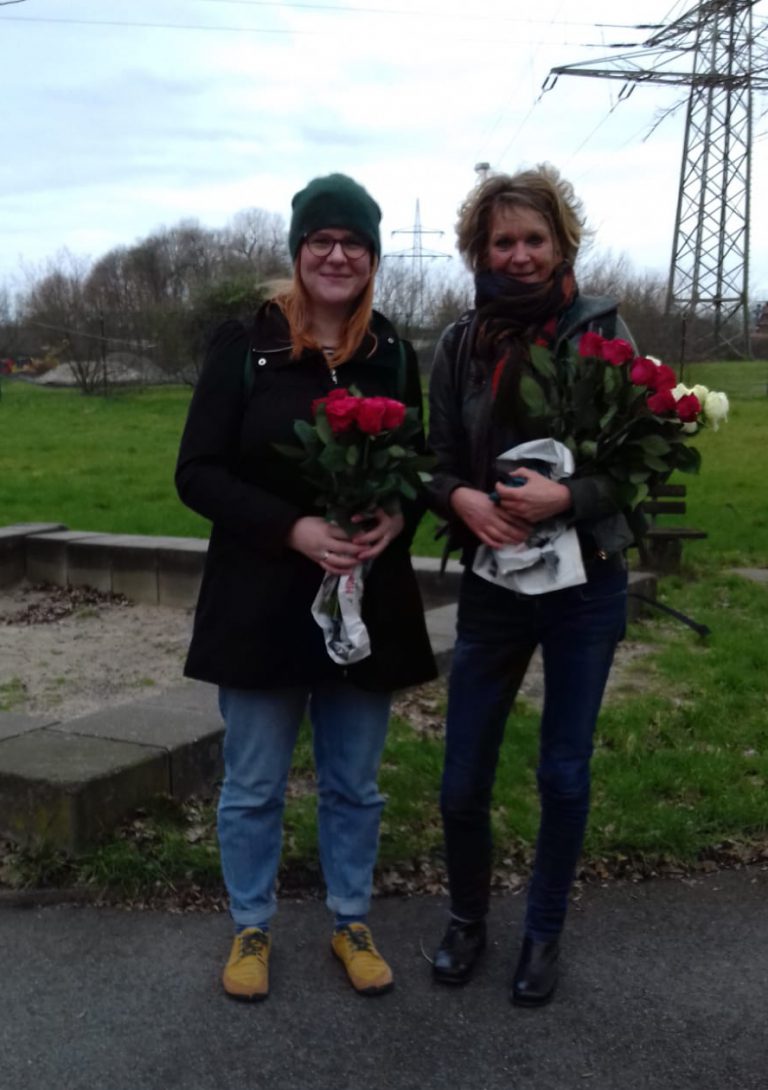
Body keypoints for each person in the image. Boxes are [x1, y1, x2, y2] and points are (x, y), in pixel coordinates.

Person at [176, 173, 436, 1001]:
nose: (336, 255)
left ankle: (350, 918)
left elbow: (418, 466)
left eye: (352, 243)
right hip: (260, 601)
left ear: (372, 257)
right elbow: (198, 474)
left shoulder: (391, 351)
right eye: (320, 241)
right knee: (253, 781)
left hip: (365, 600)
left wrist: (397, 516)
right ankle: (250, 926)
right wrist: (291, 528)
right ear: (297, 252)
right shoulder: (245, 345)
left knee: (354, 781)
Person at [427, 165, 635, 1007]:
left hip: (587, 585)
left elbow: (636, 465)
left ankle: (544, 932)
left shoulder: (603, 331)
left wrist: (568, 496)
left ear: (561, 246)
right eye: (501, 241)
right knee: (462, 777)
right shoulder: (456, 344)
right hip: (495, 584)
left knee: (563, 773)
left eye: (534, 240)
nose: (518, 255)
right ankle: (467, 919)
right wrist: (463, 498)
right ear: (479, 249)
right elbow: (433, 462)